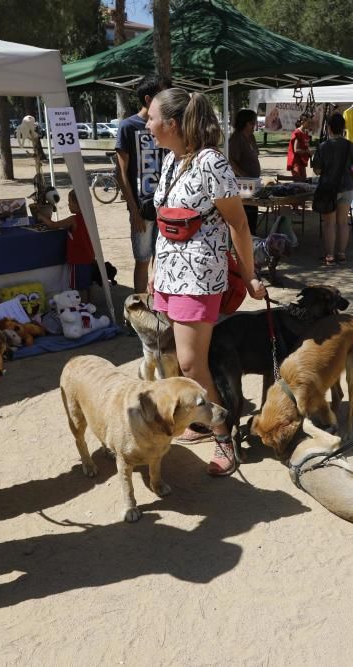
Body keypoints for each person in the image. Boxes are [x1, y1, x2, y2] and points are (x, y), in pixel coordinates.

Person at [145, 88, 267, 476]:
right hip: (168, 273)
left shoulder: (211, 162)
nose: (146, 124)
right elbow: (165, 220)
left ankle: (224, 436)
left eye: (151, 117)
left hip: (199, 276)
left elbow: (239, 223)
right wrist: (152, 267)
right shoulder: (171, 160)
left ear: (173, 124)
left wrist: (249, 275)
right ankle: (200, 422)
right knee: (180, 363)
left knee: (191, 364)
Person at [115, 74, 171, 294]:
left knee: (164, 261)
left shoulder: (167, 125)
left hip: (167, 209)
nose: (167, 99)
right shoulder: (128, 126)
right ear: (149, 99)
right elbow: (121, 173)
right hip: (142, 209)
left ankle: (160, 310)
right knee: (142, 261)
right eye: (162, 94)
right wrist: (133, 211)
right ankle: (140, 313)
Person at [311, 112, 353, 265]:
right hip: (346, 187)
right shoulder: (350, 145)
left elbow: (317, 170)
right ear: (343, 128)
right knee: (343, 223)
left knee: (329, 224)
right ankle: (342, 254)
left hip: (328, 189)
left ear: (329, 128)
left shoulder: (323, 146)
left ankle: (330, 255)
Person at [38, 190, 95, 303]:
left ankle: (83, 308)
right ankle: (90, 306)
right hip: (89, 258)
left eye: (70, 202)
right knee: (88, 284)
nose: (68, 205)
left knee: (79, 287)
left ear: (79, 204)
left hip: (78, 260)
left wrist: (41, 217)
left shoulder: (73, 219)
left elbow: (52, 225)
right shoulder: (89, 217)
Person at [228, 108, 262, 234]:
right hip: (242, 183)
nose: (254, 126)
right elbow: (231, 161)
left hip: (252, 182)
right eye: (252, 123)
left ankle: (252, 237)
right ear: (244, 123)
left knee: (253, 211)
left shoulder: (251, 137)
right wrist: (245, 175)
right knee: (246, 212)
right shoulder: (236, 139)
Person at [286, 115, 312, 181]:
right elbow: (296, 150)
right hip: (296, 162)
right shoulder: (297, 133)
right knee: (298, 183)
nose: (310, 124)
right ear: (303, 122)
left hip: (302, 162)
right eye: (308, 122)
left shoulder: (305, 133)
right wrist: (307, 151)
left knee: (303, 181)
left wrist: (309, 152)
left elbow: (305, 146)